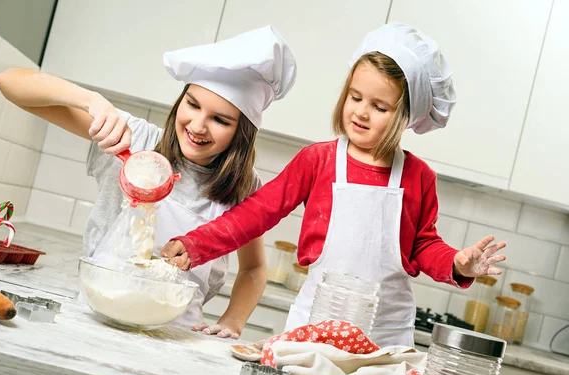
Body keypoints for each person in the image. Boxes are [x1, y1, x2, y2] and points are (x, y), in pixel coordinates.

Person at [161, 22, 506, 347]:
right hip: (313, 325)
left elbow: (423, 245)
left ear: (406, 114)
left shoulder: (419, 177)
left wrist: (456, 263)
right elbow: (255, 213)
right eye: (355, 97)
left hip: (383, 337)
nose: (361, 112)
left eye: (379, 106)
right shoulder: (318, 160)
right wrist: (196, 244)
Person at [0, 25, 297, 339]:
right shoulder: (135, 139)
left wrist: (234, 319)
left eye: (220, 120)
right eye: (192, 105)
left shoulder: (242, 188)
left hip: (174, 334)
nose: (198, 125)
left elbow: (253, 268)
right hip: (95, 318)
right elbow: (9, 83)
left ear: (241, 133)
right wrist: (91, 101)